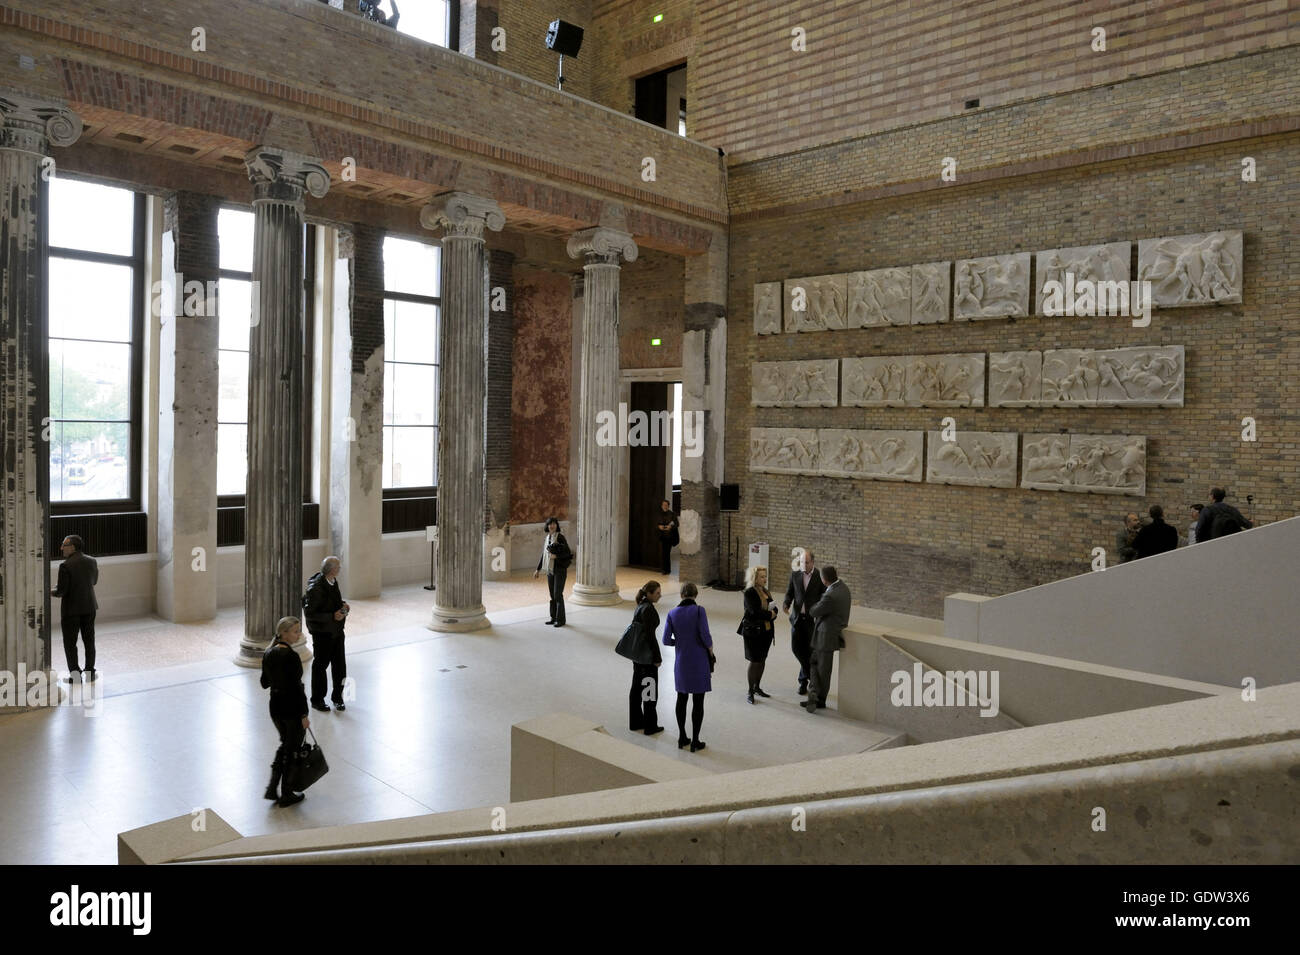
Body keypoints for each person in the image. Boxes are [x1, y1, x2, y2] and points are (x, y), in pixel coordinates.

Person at [260, 616, 310, 808]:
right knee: (292, 749)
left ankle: (273, 788)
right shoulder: (291, 656)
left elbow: (264, 683)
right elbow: (297, 689)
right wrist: (304, 715)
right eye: (296, 631)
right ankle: (287, 793)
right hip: (291, 709)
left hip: (276, 707)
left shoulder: (269, 653)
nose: (299, 634)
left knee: (285, 745)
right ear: (284, 633)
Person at [663, 582, 714, 753]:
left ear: (681, 595)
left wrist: (679, 642)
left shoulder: (672, 613)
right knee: (698, 701)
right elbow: (705, 635)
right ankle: (695, 741)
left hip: (682, 660)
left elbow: (665, 640)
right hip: (699, 659)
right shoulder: (699, 611)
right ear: (695, 594)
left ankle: (682, 737)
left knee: (681, 699)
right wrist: (710, 650)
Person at [303, 556, 350, 712]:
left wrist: (343, 607)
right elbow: (310, 614)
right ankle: (317, 700)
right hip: (323, 634)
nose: (340, 569)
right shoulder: (315, 588)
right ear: (332, 570)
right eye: (338, 567)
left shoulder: (332, 581)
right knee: (320, 666)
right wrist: (332, 616)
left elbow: (332, 604)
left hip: (336, 632)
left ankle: (338, 697)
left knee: (340, 667)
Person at [51, 534, 99, 684]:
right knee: (89, 640)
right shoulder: (92, 561)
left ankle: (76, 676)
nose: (61, 548)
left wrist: (51, 591)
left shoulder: (65, 565)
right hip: (89, 607)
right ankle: (90, 673)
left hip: (71, 610)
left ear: (72, 547)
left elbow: (62, 591)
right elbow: (94, 581)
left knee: (70, 644)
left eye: (63, 545)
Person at [804, 565, 851, 713]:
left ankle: (817, 698)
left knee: (820, 667)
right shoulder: (843, 588)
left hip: (825, 635)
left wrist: (814, 604)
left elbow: (814, 611)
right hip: (834, 631)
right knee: (821, 666)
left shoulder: (830, 596)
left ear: (824, 580)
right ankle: (816, 695)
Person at [782, 548, 825, 696]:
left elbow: (824, 595)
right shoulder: (795, 574)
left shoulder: (819, 576)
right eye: (801, 562)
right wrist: (786, 603)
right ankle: (811, 674)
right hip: (797, 618)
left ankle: (803, 682)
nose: (803, 565)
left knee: (810, 651)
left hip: (811, 620)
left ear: (812, 562)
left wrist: (820, 611)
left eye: (806, 563)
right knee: (796, 649)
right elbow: (790, 592)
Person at [739, 565, 779, 704]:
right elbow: (754, 612)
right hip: (753, 632)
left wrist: (772, 614)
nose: (765, 579)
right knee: (754, 661)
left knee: (762, 660)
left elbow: (774, 608)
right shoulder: (750, 593)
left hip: (766, 632)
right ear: (755, 578)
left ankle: (757, 687)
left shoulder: (765, 591)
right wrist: (770, 614)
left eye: (765, 576)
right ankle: (750, 690)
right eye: (762, 577)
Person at [628, 581, 664, 735]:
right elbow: (651, 637)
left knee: (636, 689)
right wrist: (657, 657)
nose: (660, 595)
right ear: (649, 593)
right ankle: (650, 726)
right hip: (647, 657)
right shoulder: (648, 609)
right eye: (657, 593)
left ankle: (636, 722)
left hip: (637, 655)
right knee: (649, 690)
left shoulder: (640, 605)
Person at [534, 517, 572, 627]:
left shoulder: (560, 537)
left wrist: (557, 556)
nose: (552, 526)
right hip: (550, 570)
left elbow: (568, 553)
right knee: (552, 595)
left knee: (557, 594)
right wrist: (538, 569)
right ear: (547, 526)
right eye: (550, 524)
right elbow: (544, 555)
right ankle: (553, 617)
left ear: (557, 525)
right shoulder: (547, 538)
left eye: (554, 524)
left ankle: (561, 620)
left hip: (560, 569)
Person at [656, 499, 678, 575]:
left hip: (669, 537)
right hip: (661, 536)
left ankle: (667, 570)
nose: (664, 506)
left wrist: (670, 527)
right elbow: (656, 524)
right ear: (661, 506)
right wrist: (659, 526)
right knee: (662, 553)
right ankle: (663, 569)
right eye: (663, 505)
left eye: (666, 505)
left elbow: (677, 524)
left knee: (667, 554)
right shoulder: (659, 514)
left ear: (668, 506)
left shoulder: (672, 514)